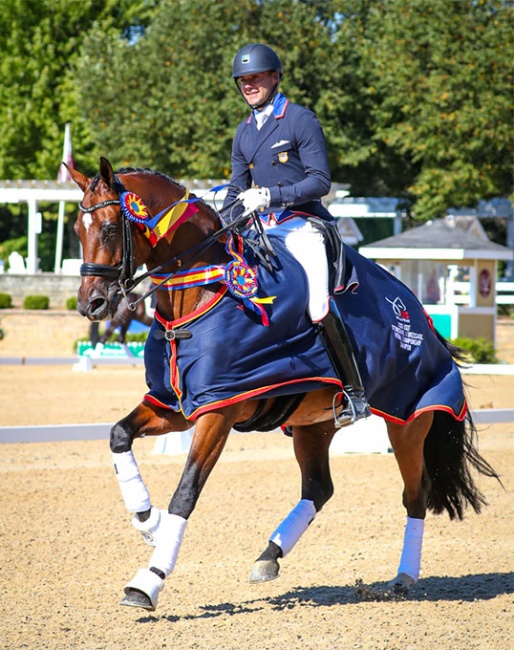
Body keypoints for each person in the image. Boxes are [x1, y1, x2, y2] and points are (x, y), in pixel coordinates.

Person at [223, 43, 369, 425]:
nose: (249, 86)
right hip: (261, 232)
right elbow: (236, 191)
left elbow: (321, 182)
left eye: (255, 78)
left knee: (317, 305)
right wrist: (221, 224)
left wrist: (272, 196)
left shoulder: (300, 119)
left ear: (274, 77)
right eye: (243, 80)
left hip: (302, 226)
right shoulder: (243, 132)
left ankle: (354, 394)